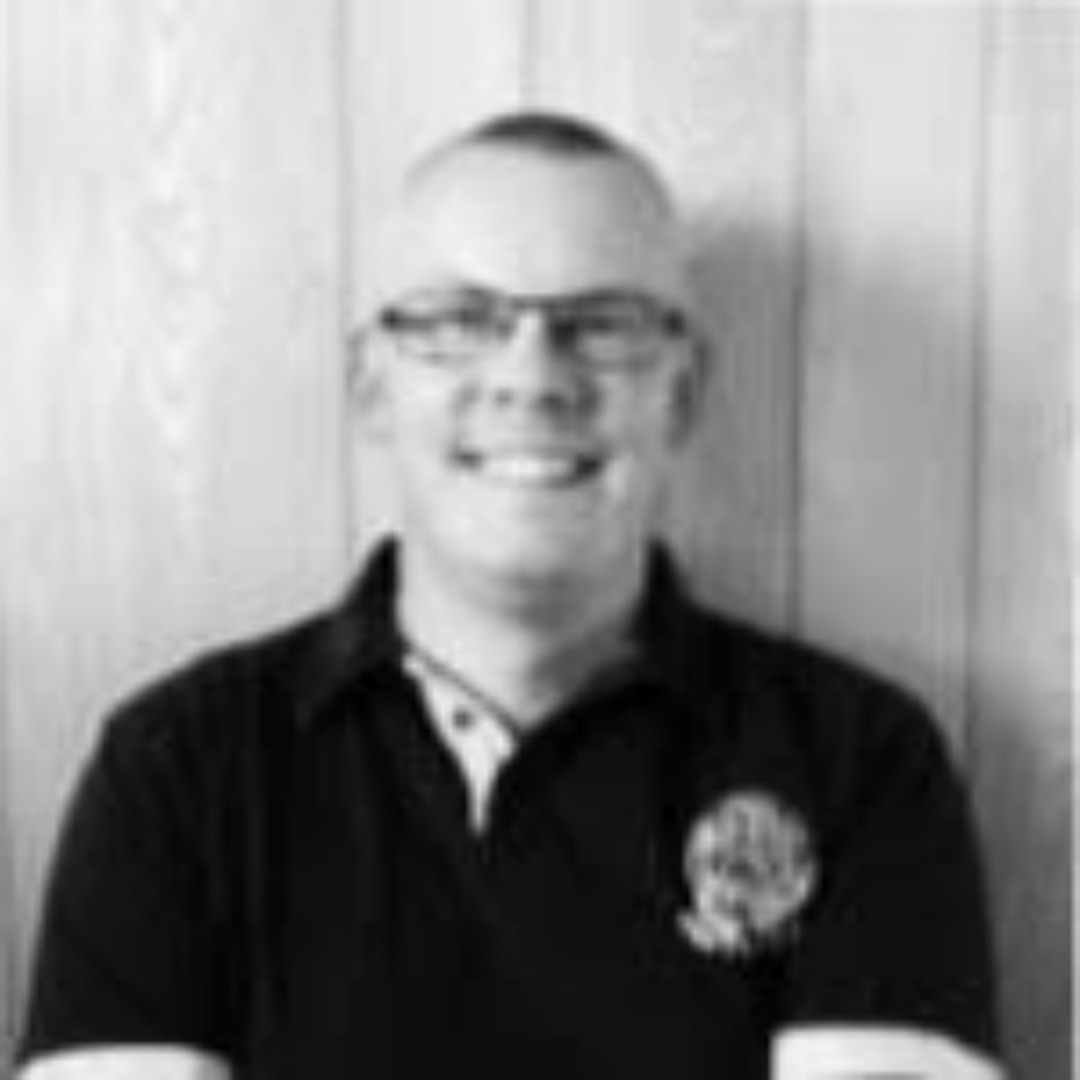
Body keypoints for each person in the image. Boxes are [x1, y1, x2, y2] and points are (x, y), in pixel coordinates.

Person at [16, 112, 1003, 1080]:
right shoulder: (176, 770)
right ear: (370, 387)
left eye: (602, 325)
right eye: (458, 322)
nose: (531, 378)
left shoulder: (859, 763)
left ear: (684, 391)